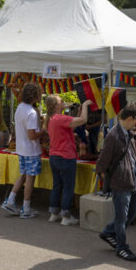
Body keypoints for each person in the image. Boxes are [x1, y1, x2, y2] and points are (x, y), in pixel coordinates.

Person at [95, 104, 136, 262]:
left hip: (132, 179)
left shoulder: (127, 132)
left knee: (132, 212)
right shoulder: (113, 136)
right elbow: (102, 162)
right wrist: (108, 178)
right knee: (122, 218)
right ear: (129, 118)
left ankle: (108, 231)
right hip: (121, 181)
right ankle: (122, 248)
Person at [43, 96, 92, 225]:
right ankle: (66, 215)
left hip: (54, 156)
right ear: (55, 106)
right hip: (66, 156)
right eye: (61, 102)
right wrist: (86, 105)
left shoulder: (51, 119)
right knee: (68, 187)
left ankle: (54, 213)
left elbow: (72, 125)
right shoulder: (60, 118)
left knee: (57, 186)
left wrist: (78, 110)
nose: (64, 103)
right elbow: (83, 120)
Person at [1, 83, 45, 218]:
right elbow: (32, 136)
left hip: (21, 149)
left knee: (23, 175)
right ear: (35, 96)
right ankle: (26, 208)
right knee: (30, 178)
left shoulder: (20, 107)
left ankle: (10, 200)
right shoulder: (31, 113)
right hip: (31, 150)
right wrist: (43, 131)